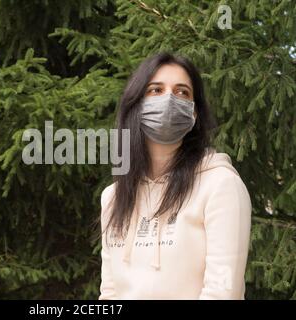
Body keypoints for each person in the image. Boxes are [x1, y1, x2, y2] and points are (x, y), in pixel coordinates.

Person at [98, 52, 252, 300]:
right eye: (156, 90)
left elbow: (224, 293)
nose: (169, 99)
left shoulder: (220, 185)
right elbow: (110, 294)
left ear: (194, 114)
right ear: (136, 105)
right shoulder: (113, 198)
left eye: (182, 92)